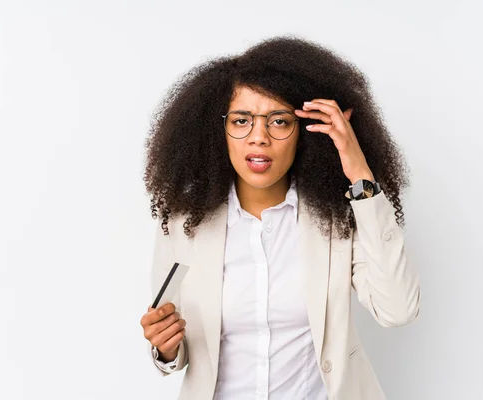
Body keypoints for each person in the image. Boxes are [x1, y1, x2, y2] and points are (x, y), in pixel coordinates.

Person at [139, 35, 420, 400]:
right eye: (242, 120)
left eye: (278, 121)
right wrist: (165, 348)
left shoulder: (336, 221)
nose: (259, 138)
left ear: (304, 132)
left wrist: (359, 172)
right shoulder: (184, 223)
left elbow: (397, 309)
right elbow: (174, 346)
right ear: (217, 131)